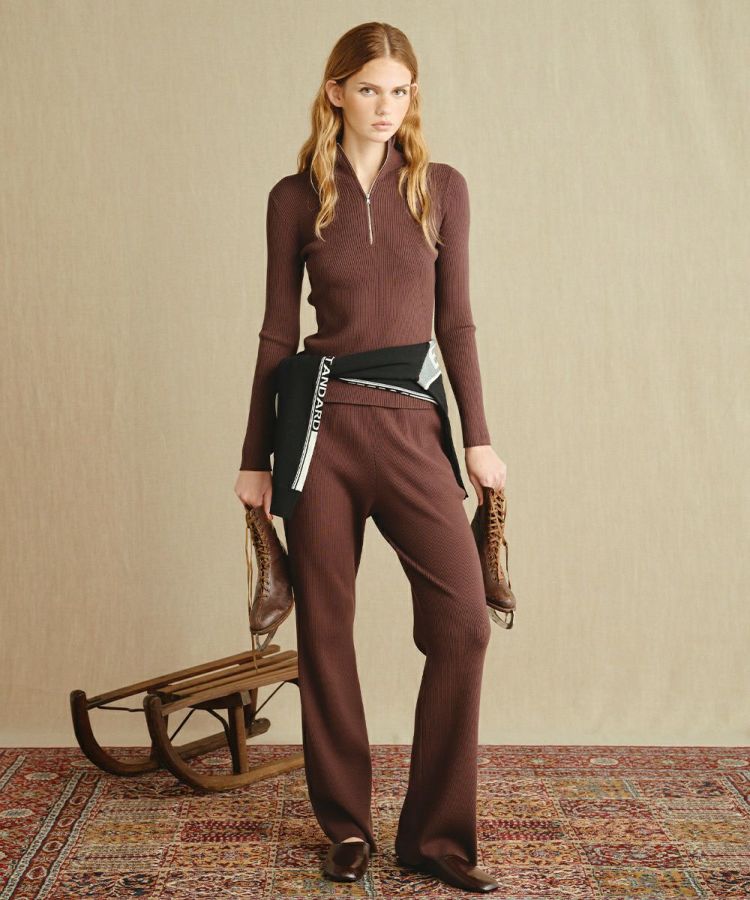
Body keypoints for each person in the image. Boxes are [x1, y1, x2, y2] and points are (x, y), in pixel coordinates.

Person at [234, 21, 506, 894]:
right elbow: (277, 332)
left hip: (411, 427)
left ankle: (435, 838)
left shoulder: (441, 189)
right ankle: (346, 828)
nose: (386, 106)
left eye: (400, 91)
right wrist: (253, 457)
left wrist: (478, 436)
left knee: (463, 622)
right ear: (336, 93)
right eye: (368, 89)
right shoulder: (294, 198)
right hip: (317, 430)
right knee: (326, 631)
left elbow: (456, 323)